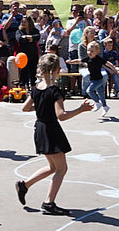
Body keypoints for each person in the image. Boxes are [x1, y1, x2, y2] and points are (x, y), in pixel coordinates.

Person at [15, 53, 94, 215]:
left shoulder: (36, 88)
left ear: (41, 69)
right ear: (58, 70)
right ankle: (48, 203)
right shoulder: (55, 91)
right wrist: (81, 109)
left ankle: (24, 185)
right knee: (61, 169)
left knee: (53, 167)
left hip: (40, 128)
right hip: (51, 129)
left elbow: (25, 108)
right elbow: (61, 115)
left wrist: (42, 106)